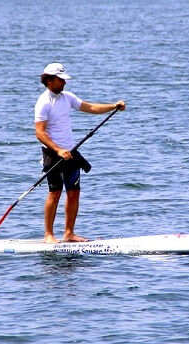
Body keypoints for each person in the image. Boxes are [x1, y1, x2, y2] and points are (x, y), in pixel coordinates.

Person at [34, 62, 125, 243]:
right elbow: (40, 133)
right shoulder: (43, 102)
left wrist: (113, 106)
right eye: (61, 80)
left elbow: (89, 107)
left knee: (74, 192)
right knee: (55, 193)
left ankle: (69, 233)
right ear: (50, 81)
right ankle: (49, 235)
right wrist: (58, 150)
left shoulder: (67, 98)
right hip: (53, 154)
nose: (64, 83)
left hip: (71, 153)